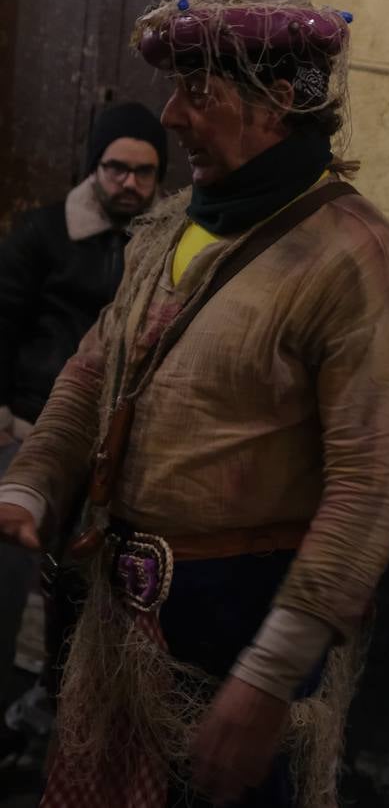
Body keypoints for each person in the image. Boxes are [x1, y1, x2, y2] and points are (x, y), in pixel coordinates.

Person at [0, 0, 389, 806]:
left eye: (198, 87)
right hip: (122, 627)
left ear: (278, 98)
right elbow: (92, 371)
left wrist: (270, 675)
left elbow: (371, 487)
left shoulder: (357, 257)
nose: (172, 115)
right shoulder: (177, 225)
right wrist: (33, 480)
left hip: (239, 633)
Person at [0, 100, 166, 768]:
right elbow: (3, 323)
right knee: (14, 571)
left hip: (119, 447)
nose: (129, 183)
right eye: (116, 168)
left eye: (144, 172)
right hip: (33, 426)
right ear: (94, 167)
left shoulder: (164, 249)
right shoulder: (43, 234)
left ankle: (61, 712)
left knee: (87, 587)